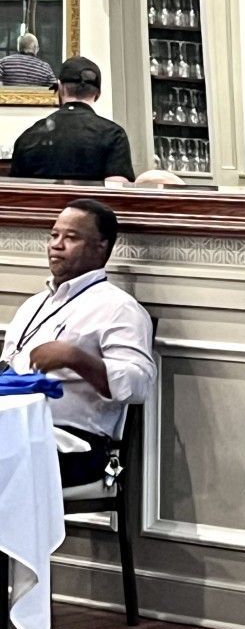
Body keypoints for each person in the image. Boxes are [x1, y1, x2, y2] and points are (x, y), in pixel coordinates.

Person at [2, 199, 155, 486]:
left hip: (76, 445)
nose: (56, 245)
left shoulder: (118, 308)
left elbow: (139, 384)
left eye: (71, 237)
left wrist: (75, 357)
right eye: (54, 235)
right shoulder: (35, 304)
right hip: (15, 431)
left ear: (101, 248)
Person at [9, 56, 135, 182]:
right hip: (91, 202)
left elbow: (14, 195)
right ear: (98, 94)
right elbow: (118, 193)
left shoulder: (28, 137)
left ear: (60, 88)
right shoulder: (114, 135)